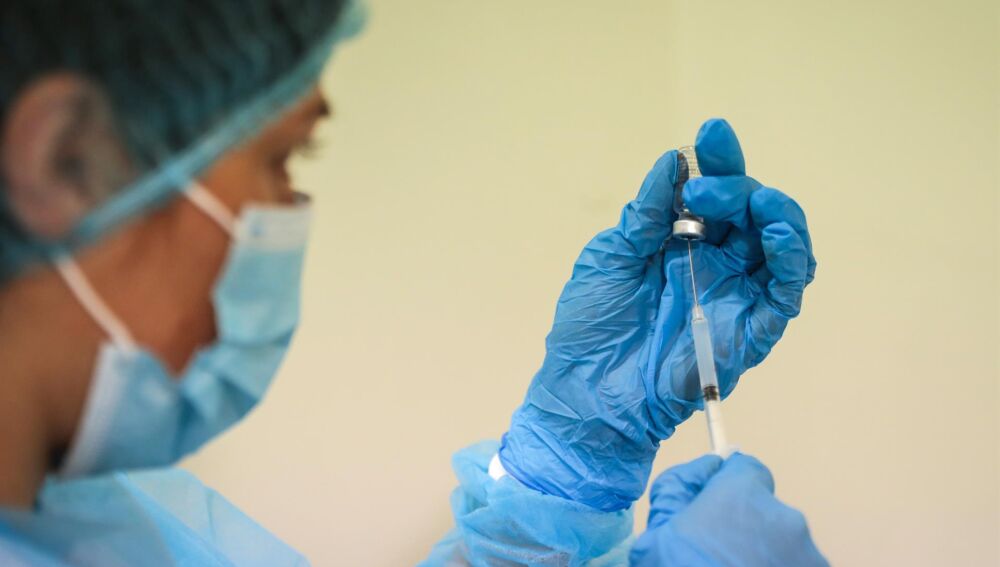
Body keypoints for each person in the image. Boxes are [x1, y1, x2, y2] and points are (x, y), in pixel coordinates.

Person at [0, 1, 826, 565]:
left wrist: (570, 460)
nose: (289, 212)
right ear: (62, 158)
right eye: (282, 159)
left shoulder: (97, 528)